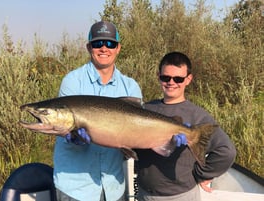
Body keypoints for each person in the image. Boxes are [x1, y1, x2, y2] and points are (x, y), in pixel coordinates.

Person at [53, 21, 142, 201]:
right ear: (89, 47)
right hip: (75, 188)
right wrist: (72, 137)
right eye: (97, 43)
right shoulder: (72, 82)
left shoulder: (131, 87)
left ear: (118, 48)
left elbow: (137, 135)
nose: (104, 48)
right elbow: (62, 124)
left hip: (114, 187)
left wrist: (168, 136)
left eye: (110, 43)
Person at [134, 51, 236, 201]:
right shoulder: (145, 109)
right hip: (145, 194)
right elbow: (131, 145)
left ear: (188, 79)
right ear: (158, 76)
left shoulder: (198, 116)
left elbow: (227, 152)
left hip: (182, 196)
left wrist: (200, 175)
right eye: (165, 77)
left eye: (178, 79)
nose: (171, 82)